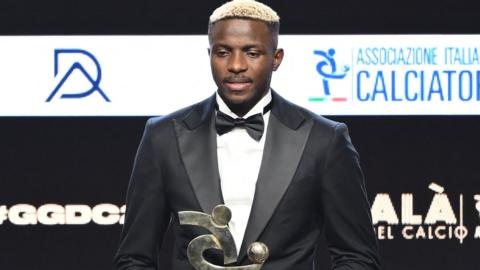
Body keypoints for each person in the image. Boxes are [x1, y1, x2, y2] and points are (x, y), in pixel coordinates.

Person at [114, 0, 381, 269]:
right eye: (223, 52)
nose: (236, 65)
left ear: (276, 59)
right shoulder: (163, 137)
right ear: (209, 55)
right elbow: (134, 258)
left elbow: (357, 258)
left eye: (252, 53)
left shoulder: (323, 140)